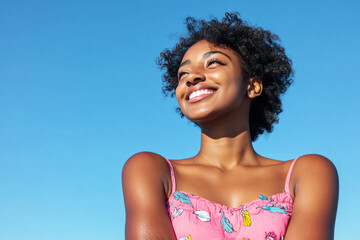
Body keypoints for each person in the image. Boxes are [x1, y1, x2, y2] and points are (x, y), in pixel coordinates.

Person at [122, 13, 338, 240]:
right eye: (182, 74)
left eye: (213, 63)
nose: (191, 77)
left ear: (252, 86)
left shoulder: (307, 174)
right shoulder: (151, 171)